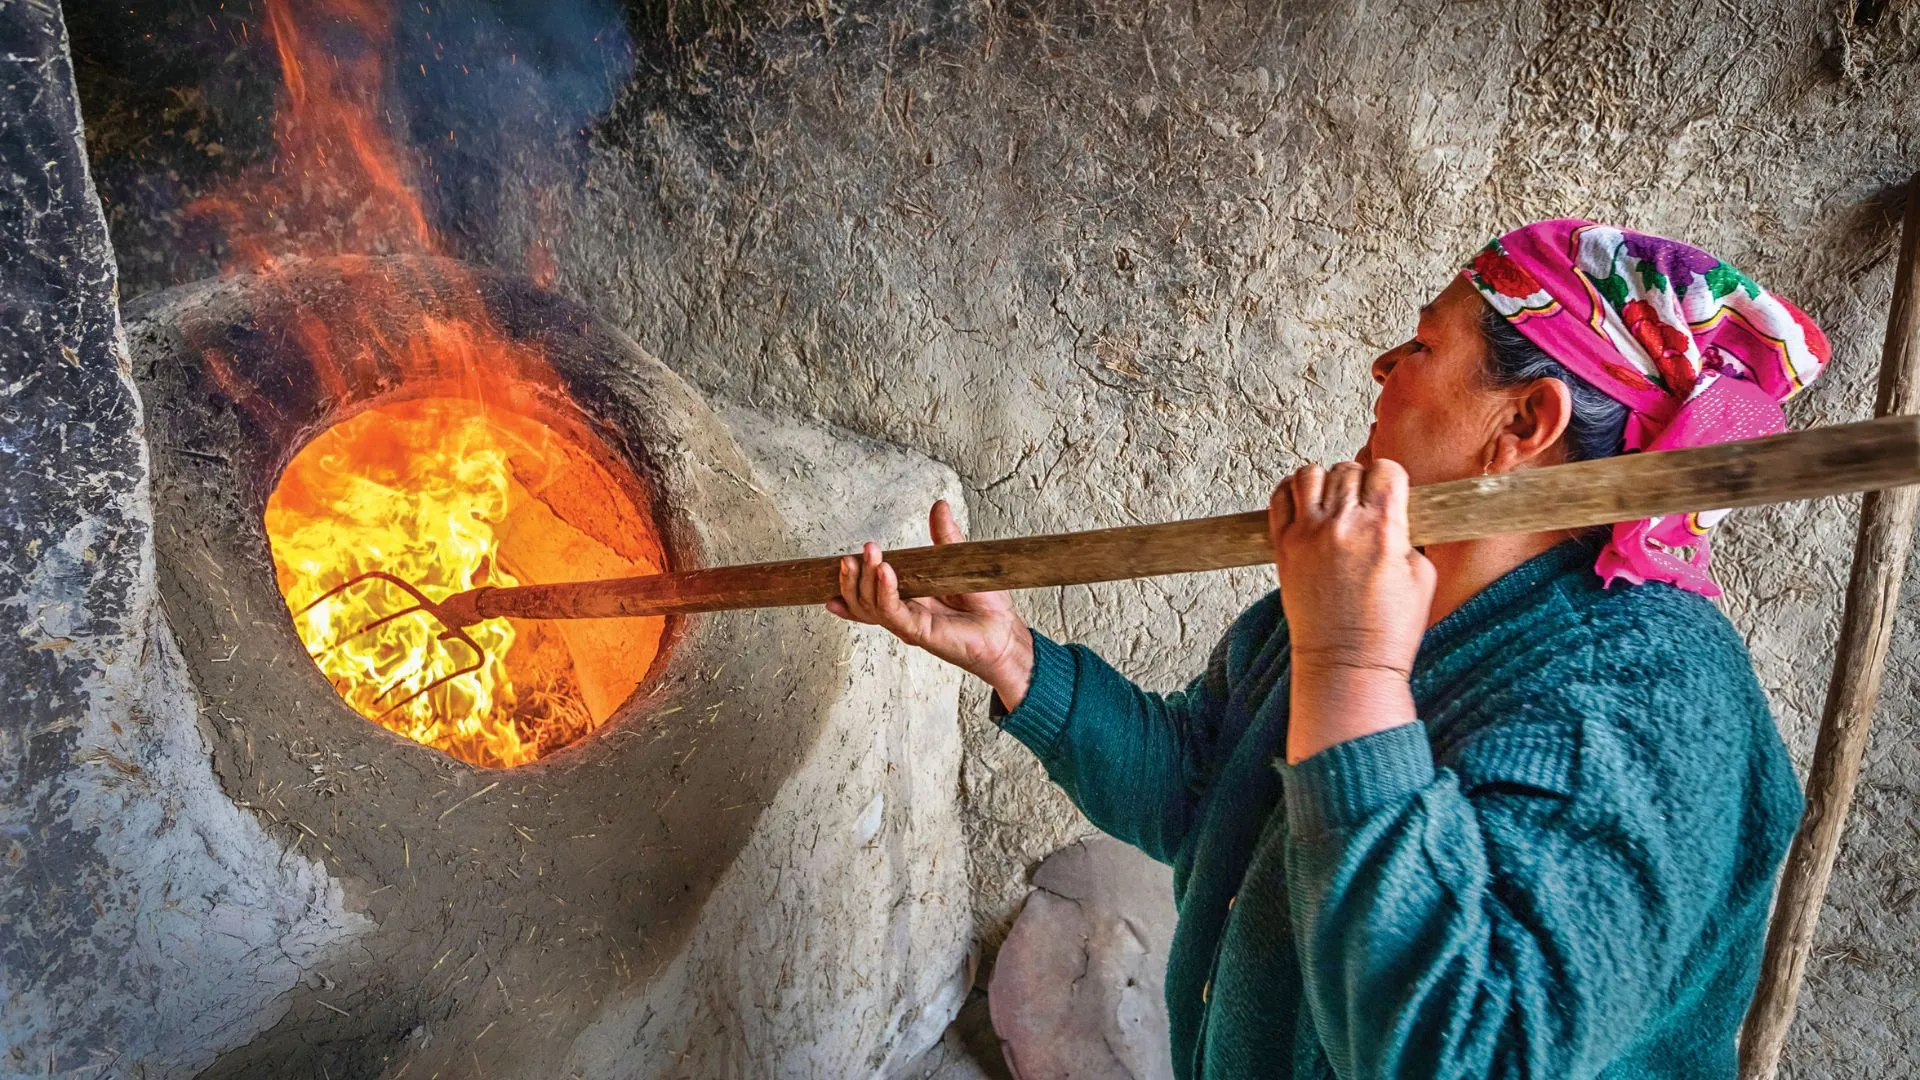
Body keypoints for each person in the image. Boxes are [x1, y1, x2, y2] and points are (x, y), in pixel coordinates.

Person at [828, 220, 1832, 1079]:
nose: (1383, 367)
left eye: (1422, 348)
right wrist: (1021, 665)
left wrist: (1353, 668)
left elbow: (1461, 1051)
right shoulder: (1363, 591)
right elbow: (1203, 796)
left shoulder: (1650, 696)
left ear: (1525, 420)